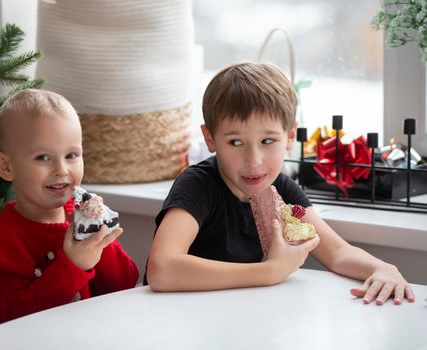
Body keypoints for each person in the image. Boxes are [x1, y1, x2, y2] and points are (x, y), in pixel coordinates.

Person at [146, 62, 415, 305]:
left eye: (267, 141)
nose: (254, 161)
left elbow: (337, 253)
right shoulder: (197, 185)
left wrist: (382, 268)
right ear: (210, 138)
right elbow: (162, 270)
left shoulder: (281, 188)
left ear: (289, 137)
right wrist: (269, 272)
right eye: (235, 142)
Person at [0, 89, 139, 326]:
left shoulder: (79, 214)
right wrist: (73, 265)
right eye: (43, 158)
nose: (62, 170)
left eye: (72, 155)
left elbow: (124, 283)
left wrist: (100, 237)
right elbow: (10, 317)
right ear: (6, 166)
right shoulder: (2, 241)